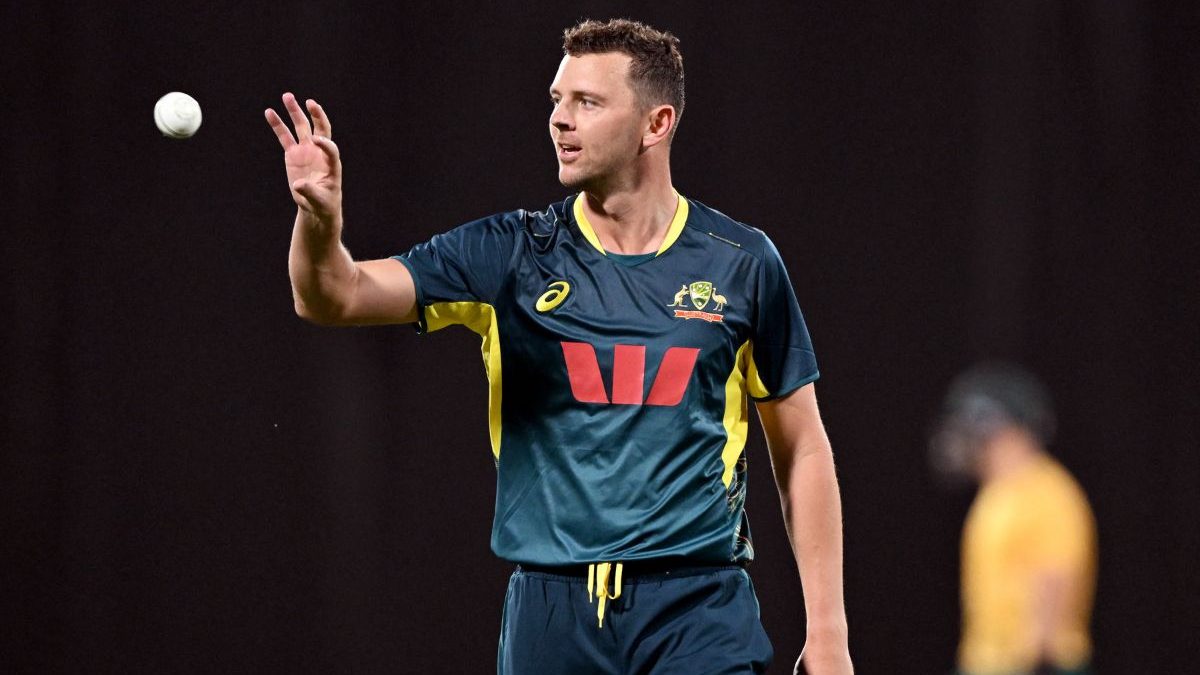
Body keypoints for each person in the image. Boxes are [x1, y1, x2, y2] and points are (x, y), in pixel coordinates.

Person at [265, 18, 852, 675]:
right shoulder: (508, 254)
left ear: (655, 124)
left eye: (587, 103)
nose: (560, 120)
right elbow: (332, 296)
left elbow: (801, 444)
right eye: (556, 100)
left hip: (698, 609)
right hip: (552, 611)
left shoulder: (742, 263)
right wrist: (319, 223)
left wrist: (828, 632)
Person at [930, 364, 1097, 675]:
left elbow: (1054, 577)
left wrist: (1038, 661)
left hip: (1032, 666)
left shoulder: (1046, 491)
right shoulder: (996, 493)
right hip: (989, 664)